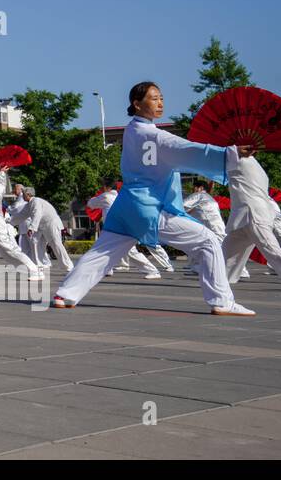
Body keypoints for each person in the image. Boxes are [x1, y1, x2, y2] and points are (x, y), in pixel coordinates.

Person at [52, 82, 254, 315]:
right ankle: (221, 301)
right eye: (153, 98)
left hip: (126, 205)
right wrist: (230, 152)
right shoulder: (155, 135)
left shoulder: (131, 130)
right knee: (208, 241)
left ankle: (65, 294)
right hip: (148, 207)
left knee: (102, 252)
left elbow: (174, 150)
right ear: (137, 104)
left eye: (161, 97)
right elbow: (186, 149)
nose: (160, 103)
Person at [220, 154, 281, 295]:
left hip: (253, 212)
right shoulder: (254, 164)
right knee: (227, 251)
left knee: (271, 248)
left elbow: (213, 161)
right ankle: (221, 279)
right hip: (244, 215)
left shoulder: (240, 160)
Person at [20, 187, 75, 273]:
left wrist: (31, 228)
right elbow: (21, 215)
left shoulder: (36, 201)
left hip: (51, 224)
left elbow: (37, 215)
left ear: (28, 194)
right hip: (41, 226)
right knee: (35, 242)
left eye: (23, 194)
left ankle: (68, 265)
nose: (22, 195)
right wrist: (9, 221)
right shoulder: (29, 205)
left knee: (56, 244)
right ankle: (39, 264)